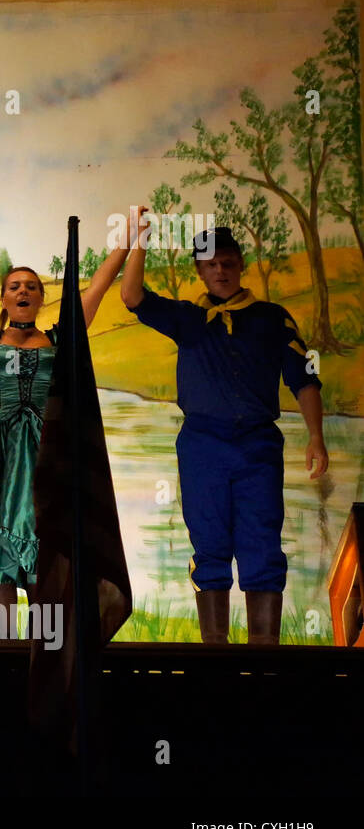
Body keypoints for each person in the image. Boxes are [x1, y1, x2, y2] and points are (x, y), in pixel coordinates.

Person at [0, 202, 131, 638]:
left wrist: (128, 237)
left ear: (41, 298)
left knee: (42, 548)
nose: (23, 292)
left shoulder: (60, 337)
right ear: (4, 297)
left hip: (46, 456)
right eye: (15, 286)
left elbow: (100, 285)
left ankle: (43, 645)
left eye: (31, 287)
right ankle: (8, 643)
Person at [120, 216, 327, 645]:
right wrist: (138, 240)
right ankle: (216, 655)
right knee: (210, 542)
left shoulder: (273, 319)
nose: (220, 271)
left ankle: (263, 656)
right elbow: (132, 296)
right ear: (199, 270)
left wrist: (317, 437)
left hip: (257, 447)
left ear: (240, 265)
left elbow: (305, 379)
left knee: (262, 543)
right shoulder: (188, 318)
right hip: (202, 446)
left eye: (228, 262)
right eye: (211, 264)